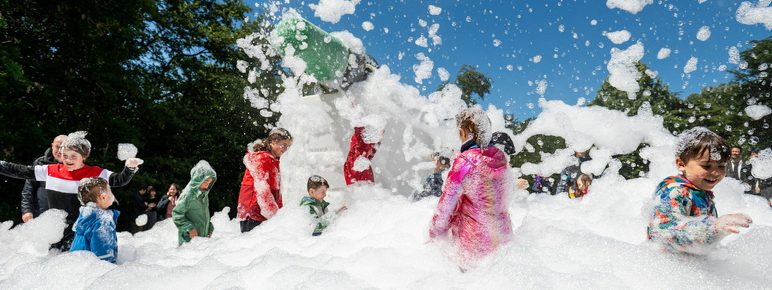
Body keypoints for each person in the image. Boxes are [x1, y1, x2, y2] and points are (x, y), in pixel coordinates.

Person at [0, 131, 140, 250]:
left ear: (84, 157)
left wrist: (129, 169)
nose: (68, 160)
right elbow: (19, 171)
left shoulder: (94, 172)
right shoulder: (50, 171)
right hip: (55, 229)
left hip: (80, 231)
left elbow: (119, 180)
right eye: (65, 155)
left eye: (74, 156)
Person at [428, 107, 514, 269]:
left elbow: (446, 206)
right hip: (504, 240)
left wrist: (434, 235)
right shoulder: (501, 159)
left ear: (463, 132)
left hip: (474, 246)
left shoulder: (464, 162)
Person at [647, 127, 753, 254]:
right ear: (681, 164)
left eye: (721, 166)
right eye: (706, 166)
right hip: (667, 266)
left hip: (690, 267)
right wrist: (713, 228)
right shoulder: (673, 191)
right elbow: (666, 232)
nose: (715, 172)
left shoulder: (700, 191)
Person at [237, 127, 293, 233]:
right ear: (273, 141)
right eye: (284, 145)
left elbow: (276, 192)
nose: (286, 149)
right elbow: (263, 191)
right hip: (253, 214)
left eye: (288, 146)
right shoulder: (261, 159)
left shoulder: (274, 161)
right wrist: (275, 217)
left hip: (262, 213)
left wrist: (280, 214)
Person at [70, 177, 119, 263]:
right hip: (95, 269)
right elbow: (103, 255)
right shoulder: (103, 220)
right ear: (103, 197)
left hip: (77, 264)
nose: (113, 195)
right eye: (110, 192)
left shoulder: (85, 215)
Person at [20, 134, 66, 222]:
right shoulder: (40, 163)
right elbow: (29, 188)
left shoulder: (74, 165)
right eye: (57, 147)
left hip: (64, 217)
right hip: (40, 215)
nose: (60, 151)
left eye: (64, 147)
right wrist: (26, 210)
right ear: (52, 146)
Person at [172, 160, 217, 245]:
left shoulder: (204, 195)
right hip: (189, 242)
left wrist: (210, 227)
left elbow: (203, 215)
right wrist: (189, 228)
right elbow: (176, 214)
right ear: (198, 178)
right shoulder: (188, 196)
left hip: (201, 240)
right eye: (206, 181)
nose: (208, 184)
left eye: (210, 182)